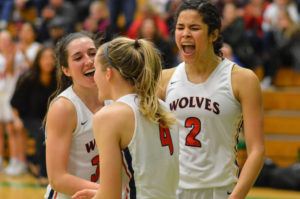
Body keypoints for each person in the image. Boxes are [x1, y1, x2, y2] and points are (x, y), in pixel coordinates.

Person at [158, 0, 265, 199]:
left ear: (214, 35)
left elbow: (257, 150)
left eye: (194, 28)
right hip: (173, 190)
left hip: (221, 190)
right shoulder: (164, 79)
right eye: (180, 27)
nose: (186, 33)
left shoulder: (242, 79)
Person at [72, 37, 179, 199]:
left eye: (95, 70)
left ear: (108, 74)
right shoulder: (163, 106)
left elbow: (110, 196)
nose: (94, 78)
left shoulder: (109, 116)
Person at [44, 31, 105, 198]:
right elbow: (57, 178)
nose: (89, 60)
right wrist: (107, 192)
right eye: (78, 58)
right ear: (66, 70)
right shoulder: (64, 108)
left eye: (93, 53)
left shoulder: (114, 96)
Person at [10, 47, 57, 185]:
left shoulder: (58, 79)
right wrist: (16, 119)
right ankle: (44, 173)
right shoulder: (28, 77)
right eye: (45, 58)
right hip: (29, 117)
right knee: (42, 133)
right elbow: (15, 102)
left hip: (50, 118)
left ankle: (34, 160)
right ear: (38, 61)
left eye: (51, 58)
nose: (48, 61)